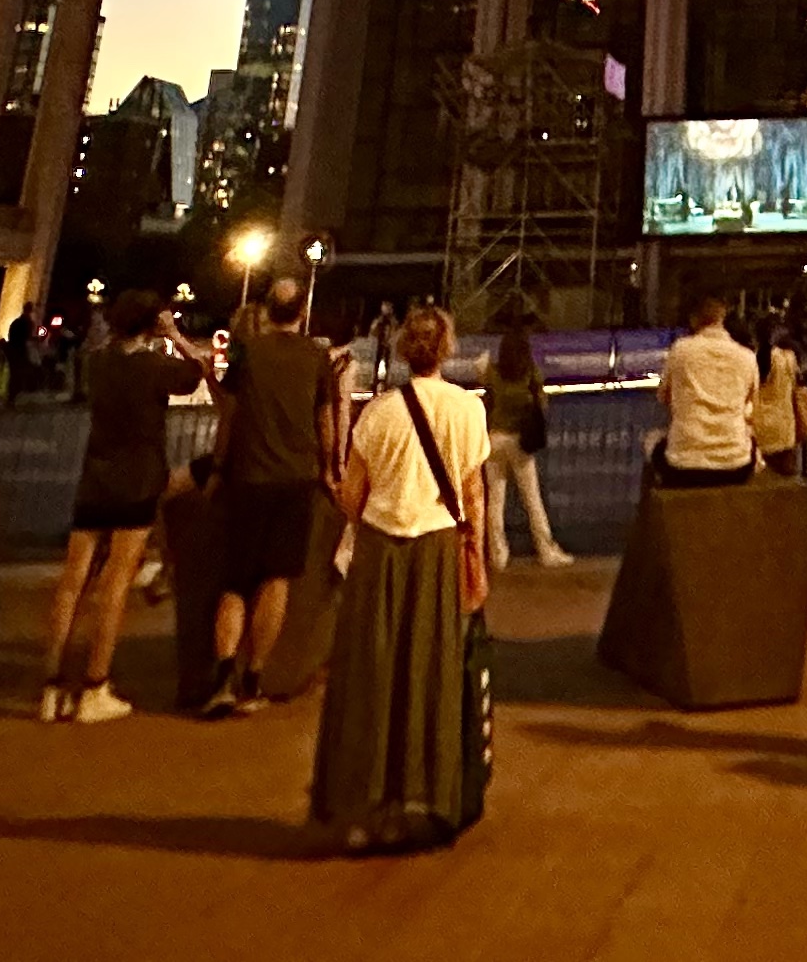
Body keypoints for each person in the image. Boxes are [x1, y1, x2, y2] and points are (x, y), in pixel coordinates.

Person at [313, 302, 488, 853]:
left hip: (379, 554)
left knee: (371, 675)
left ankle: (361, 807)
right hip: (437, 550)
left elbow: (351, 496)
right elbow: (474, 495)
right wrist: (476, 557)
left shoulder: (379, 413)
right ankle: (417, 796)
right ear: (448, 348)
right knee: (426, 676)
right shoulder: (467, 410)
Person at [45, 291, 206, 725]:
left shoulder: (97, 361)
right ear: (151, 323)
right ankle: (96, 683)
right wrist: (174, 334)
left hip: (95, 477)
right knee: (116, 581)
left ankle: (52, 685)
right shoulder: (154, 367)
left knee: (72, 580)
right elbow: (198, 372)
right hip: (136, 478)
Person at [206, 277, 347, 715]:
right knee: (276, 579)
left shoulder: (247, 352)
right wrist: (329, 470)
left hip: (247, 477)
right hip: (295, 479)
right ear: (302, 312)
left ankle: (222, 674)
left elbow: (228, 413)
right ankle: (254, 677)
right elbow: (325, 419)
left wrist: (217, 466)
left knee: (234, 582)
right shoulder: (316, 357)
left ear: (267, 310)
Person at [477, 315, 571, 577]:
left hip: (494, 439)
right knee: (532, 499)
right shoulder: (530, 371)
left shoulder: (492, 372)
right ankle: (546, 550)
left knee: (495, 501)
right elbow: (542, 404)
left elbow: (487, 400)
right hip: (520, 441)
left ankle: (498, 554)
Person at [653, 288, 760, 490]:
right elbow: (750, 405)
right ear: (723, 317)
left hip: (684, 466)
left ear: (693, 318)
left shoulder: (680, 350)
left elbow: (664, 397)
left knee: (652, 441)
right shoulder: (747, 356)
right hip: (736, 465)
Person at [749, 321, 807, 477]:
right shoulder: (788, 357)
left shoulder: (751, 359)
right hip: (785, 427)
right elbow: (799, 383)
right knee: (787, 477)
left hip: (759, 428)